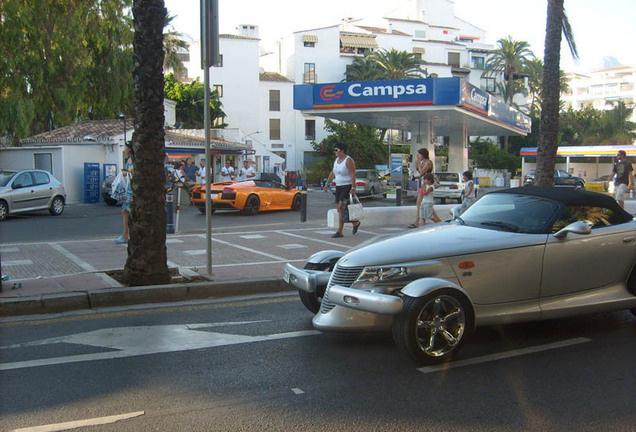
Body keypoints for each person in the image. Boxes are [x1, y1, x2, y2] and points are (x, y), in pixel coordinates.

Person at [323, 142, 360, 238]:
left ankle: (340, 231)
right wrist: (327, 183)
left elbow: (353, 174)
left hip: (346, 186)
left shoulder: (348, 160)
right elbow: (333, 172)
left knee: (340, 207)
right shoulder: (336, 160)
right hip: (338, 186)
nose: (335, 152)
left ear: (342, 151)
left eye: (336, 150)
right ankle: (355, 223)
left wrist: (353, 187)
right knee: (341, 210)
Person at [408, 148, 434, 228]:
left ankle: (417, 222)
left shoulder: (428, 162)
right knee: (421, 204)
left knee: (419, 203)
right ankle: (436, 221)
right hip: (422, 184)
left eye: (419, 154)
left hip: (426, 185)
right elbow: (422, 174)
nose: (418, 156)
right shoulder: (423, 162)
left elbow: (422, 171)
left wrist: (419, 163)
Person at [114, 146, 134, 244]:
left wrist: (127, 173)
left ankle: (126, 235)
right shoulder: (129, 160)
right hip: (129, 188)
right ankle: (126, 234)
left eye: (126, 148)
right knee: (126, 211)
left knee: (127, 211)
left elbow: (133, 172)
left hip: (133, 189)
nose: (124, 150)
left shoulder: (134, 160)